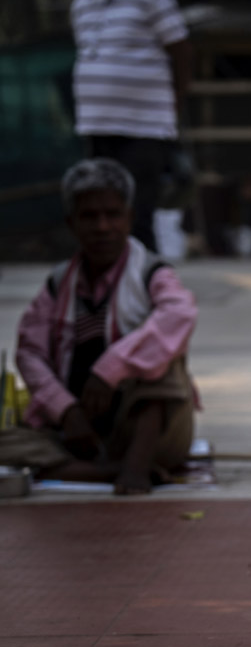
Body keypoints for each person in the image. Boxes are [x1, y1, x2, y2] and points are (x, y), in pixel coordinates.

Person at [0, 159, 198, 495]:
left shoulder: (152, 273)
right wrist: (66, 410)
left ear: (130, 218)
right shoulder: (59, 282)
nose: (102, 227)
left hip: (144, 430)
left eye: (113, 214)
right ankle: (107, 472)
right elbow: (30, 352)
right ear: (71, 223)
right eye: (89, 217)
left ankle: (135, 467)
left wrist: (109, 371)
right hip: (79, 433)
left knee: (164, 364)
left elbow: (180, 315)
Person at [70, 0, 192, 253]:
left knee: (137, 211)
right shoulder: (81, 4)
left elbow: (182, 51)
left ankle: (145, 285)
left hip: (143, 124)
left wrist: (175, 101)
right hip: (97, 124)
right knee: (102, 209)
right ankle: (109, 285)